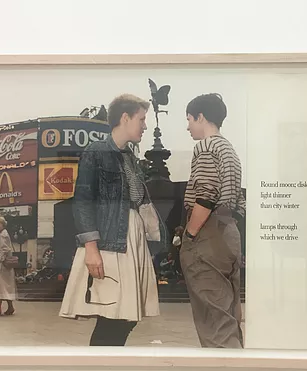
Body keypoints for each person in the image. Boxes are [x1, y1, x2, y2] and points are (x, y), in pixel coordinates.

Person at [59, 94, 169, 346]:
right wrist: (91, 248)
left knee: (126, 316)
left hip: (132, 241)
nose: (145, 126)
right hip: (110, 242)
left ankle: (107, 358)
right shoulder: (96, 152)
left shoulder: (129, 156)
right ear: (125, 117)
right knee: (113, 316)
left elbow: (140, 201)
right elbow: (83, 200)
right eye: (141, 119)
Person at [180, 93, 246, 348]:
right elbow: (238, 200)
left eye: (189, 119)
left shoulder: (206, 146)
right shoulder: (229, 149)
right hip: (229, 232)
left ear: (201, 117)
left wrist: (190, 234)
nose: (188, 126)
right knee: (229, 317)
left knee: (214, 324)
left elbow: (206, 195)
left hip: (208, 234)